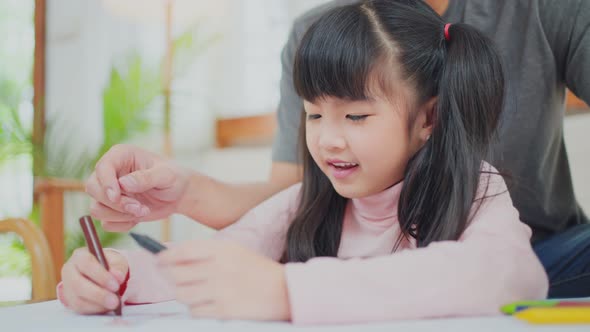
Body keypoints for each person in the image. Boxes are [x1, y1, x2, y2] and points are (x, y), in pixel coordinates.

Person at [59, 0, 548, 324]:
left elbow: (513, 273)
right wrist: (117, 277)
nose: (328, 140)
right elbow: (222, 260)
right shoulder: (306, 200)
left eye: (356, 116)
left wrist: (288, 290)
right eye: (315, 114)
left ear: (429, 118)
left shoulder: (476, 188)